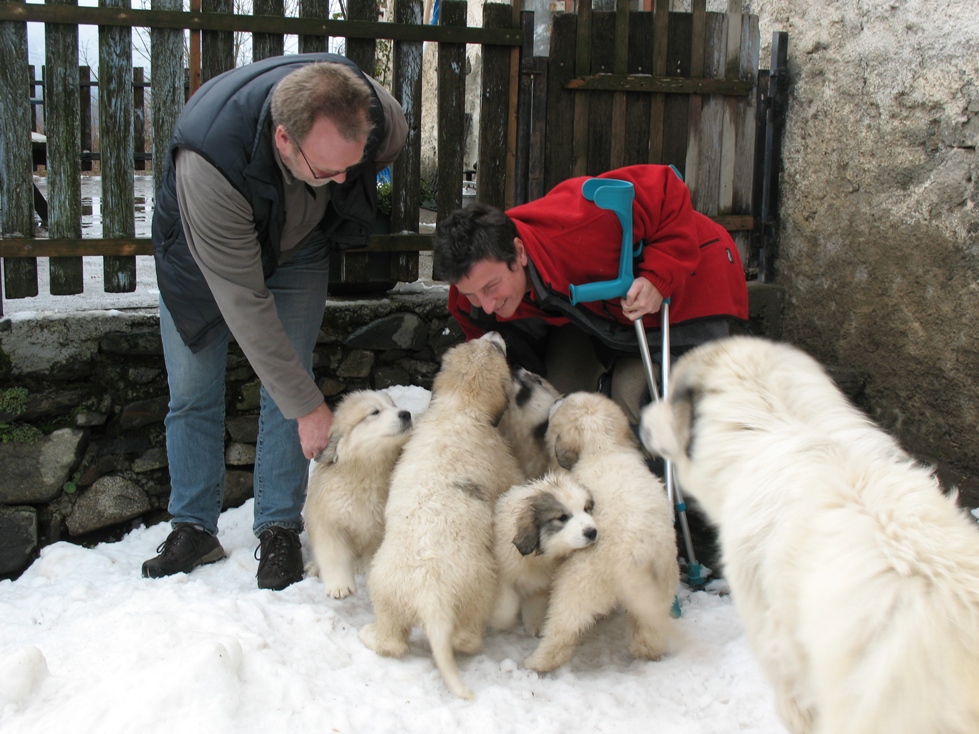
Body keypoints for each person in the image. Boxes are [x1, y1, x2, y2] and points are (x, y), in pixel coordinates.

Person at [143, 54, 408, 590]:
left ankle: (280, 526)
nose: (340, 182)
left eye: (348, 170)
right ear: (284, 139)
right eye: (326, 170)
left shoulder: (383, 120)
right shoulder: (209, 158)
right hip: (202, 258)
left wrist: (344, 177)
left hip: (299, 246)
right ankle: (194, 527)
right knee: (194, 391)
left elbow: (357, 161)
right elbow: (244, 302)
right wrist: (311, 410)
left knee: (289, 379)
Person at [433, 164, 749, 426]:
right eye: (472, 295)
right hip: (597, 316)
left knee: (634, 396)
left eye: (491, 288)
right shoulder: (470, 291)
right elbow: (499, 368)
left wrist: (658, 277)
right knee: (557, 402)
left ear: (519, 253)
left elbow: (668, 188)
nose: (487, 305)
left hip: (689, 286)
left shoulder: (585, 219)